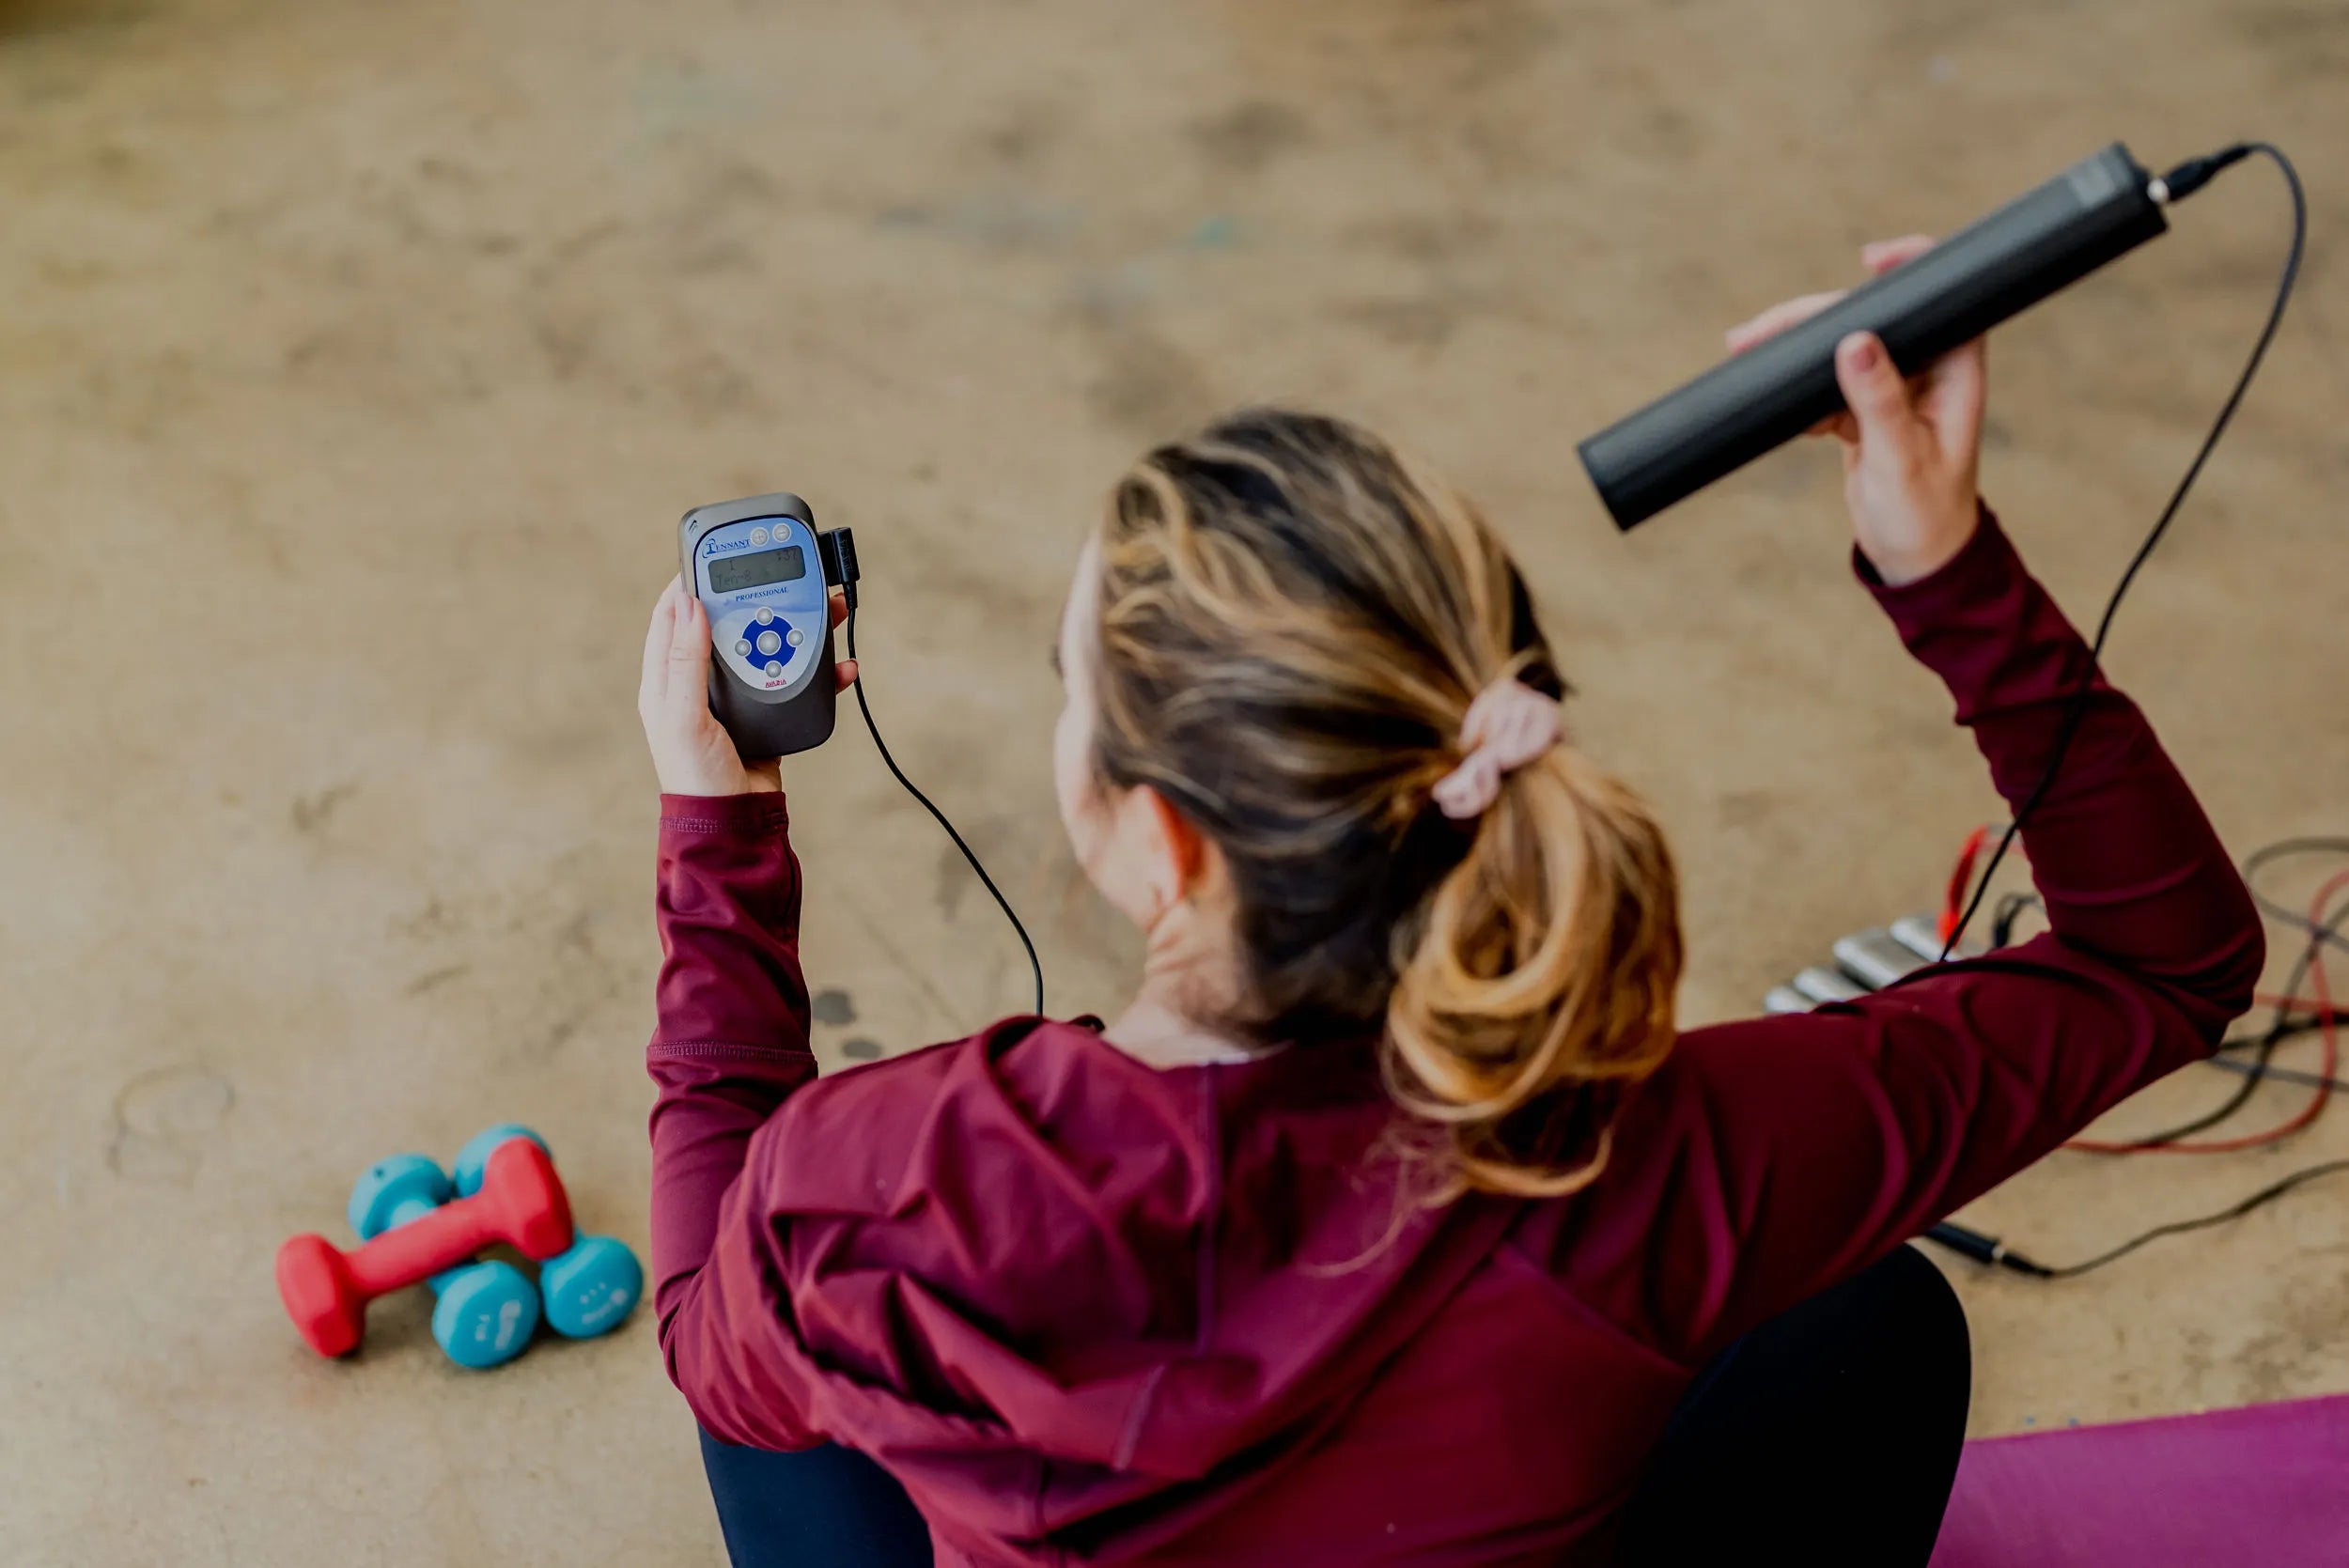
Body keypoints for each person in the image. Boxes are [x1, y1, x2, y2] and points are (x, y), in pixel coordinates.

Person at [633, 237, 2263, 1567]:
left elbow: (709, 1329)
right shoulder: (1651, 1154)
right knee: (1876, 1319)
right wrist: (1947, 564)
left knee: (752, 1326)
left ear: (1161, 843)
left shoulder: (874, 1196)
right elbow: (2166, 957)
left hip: (854, 1273)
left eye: (1076, 695)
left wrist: (721, 831)